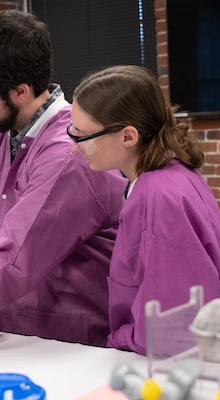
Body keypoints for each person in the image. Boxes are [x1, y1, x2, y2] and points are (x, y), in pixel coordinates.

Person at [0, 10, 127, 348]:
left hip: (68, 341)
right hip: (10, 331)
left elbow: (16, 255)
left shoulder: (68, 155)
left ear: (20, 91)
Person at [70, 65, 220, 355]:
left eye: (83, 136)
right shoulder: (173, 172)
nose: (76, 149)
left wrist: (119, 338)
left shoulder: (158, 196)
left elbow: (171, 329)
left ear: (128, 136)